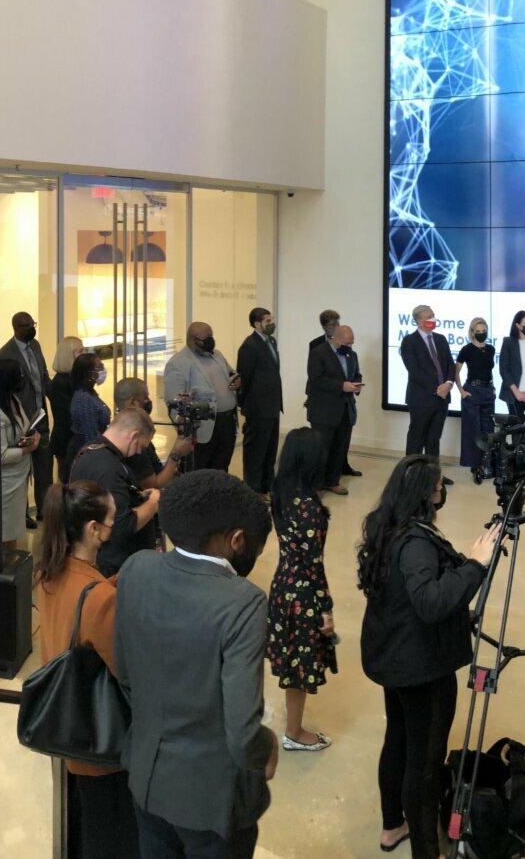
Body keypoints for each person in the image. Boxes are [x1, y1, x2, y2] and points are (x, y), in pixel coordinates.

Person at [114, 469, 278, 859]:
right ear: (237, 540)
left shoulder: (136, 568)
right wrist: (267, 746)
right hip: (211, 802)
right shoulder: (243, 602)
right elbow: (242, 734)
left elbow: (125, 671)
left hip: (145, 777)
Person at [358, 456, 499, 857]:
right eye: (439, 487)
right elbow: (430, 602)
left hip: (393, 656)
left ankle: (392, 825)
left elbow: (407, 597)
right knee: (424, 763)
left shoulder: (386, 524)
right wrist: (475, 565)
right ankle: (426, 850)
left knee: (398, 739)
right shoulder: (417, 543)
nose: (442, 492)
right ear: (424, 494)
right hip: (419, 668)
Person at [32, 479, 138, 859]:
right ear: (93, 529)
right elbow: (128, 672)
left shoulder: (48, 572)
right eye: (111, 521)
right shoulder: (100, 600)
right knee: (109, 838)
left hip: (63, 726)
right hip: (98, 747)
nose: (113, 528)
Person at [267, 429, 339, 752]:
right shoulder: (309, 507)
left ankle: (293, 727)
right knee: (299, 666)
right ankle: (294, 732)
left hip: (282, 585)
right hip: (303, 595)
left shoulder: (280, 492)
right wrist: (326, 608)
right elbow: (313, 564)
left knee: (291, 660)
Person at [70, 408, 165, 577]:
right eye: (141, 446)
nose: (139, 452)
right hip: (114, 566)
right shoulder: (108, 468)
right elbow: (122, 524)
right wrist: (152, 503)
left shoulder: (90, 452)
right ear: (134, 436)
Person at [0, 311, 53, 527]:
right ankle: (22, 514)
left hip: (40, 416)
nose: (32, 328)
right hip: (20, 420)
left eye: (33, 324)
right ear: (16, 328)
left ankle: (45, 510)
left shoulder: (36, 346)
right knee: (22, 469)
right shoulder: (5, 354)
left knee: (44, 466)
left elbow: (43, 376)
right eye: (27, 325)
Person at [164, 321, 241, 472]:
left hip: (227, 422)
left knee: (222, 468)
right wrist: (184, 431)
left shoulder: (217, 355)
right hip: (202, 428)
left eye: (212, 336)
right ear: (193, 340)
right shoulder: (178, 362)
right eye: (207, 338)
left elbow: (231, 373)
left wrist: (237, 380)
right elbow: (173, 401)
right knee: (200, 471)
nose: (211, 341)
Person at [306, 325, 363, 496]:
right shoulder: (318, 353)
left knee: (340, 448)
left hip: (346, 409)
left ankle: (332, 481)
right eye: (347, 343)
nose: (350, 346)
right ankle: (316, 486)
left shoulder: (352, 354)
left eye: (352, 343)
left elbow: (356, 374)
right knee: (321, 449)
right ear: (336, 339)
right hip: (324, 411)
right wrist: (341, 386)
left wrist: (357, 384)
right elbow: (316, 379)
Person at [0, 358, 42, 554]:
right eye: (20, 374)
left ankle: (11, 565)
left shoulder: (14, 400)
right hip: (5, 481)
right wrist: (28, 449)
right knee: (4, 534)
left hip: (19, 475)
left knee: (14, 533)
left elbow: (22, 429)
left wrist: (32, 436)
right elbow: (0, 455)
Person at [113, 377, 192, 492]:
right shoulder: (134, 442)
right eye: (145, 397)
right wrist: (176, 454)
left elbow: (156, 471)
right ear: (133, 402)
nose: (149, 401)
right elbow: (153, 486)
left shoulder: (120, 427)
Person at [238, 306, 284, 495]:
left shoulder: (271, 341)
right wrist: (245, 404)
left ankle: (267, 485)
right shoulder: (249, 346)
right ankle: (253, 490)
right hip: (258, 408)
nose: (271, 324)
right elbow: (244, 378)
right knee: (256, 452)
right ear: (257, 324)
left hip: (272, 406)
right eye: (267, 321)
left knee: (270, 450)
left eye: (271, 320)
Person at [399, 304, 454, 462]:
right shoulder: (409, 341)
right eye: (429, 317)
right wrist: (437, 389)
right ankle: (411, 472)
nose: (433, 319)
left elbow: (450, 364)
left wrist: (448, 384)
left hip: (442, 399)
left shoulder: (441, 339)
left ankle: (433, 473)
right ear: (419, 321)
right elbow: (414, 371)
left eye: (433, 315)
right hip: (421, 399)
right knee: (417, 438)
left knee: (434, 439)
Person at [456, 317, 498, 477]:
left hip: (488, 391)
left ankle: (488, 463)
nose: (481, 333)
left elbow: (488, 370)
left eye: (484, 331)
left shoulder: (491, 349)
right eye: (478, 331)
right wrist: (461, 391)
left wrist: (493, 387)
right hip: (472, 391)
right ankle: (474, 464)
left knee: (488, 429)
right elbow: (455, 371)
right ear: (472, 332)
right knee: (473, 429)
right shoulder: (466, 349)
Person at [48, 336, 86, 484]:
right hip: (67, 442)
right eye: (80, 351)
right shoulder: (60, 383)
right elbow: (67, 417)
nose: (84, 354)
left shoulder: (76, 379)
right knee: (68, 482)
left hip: (77, 439)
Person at [67, 353, 111, 455]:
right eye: (99, 368)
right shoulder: (84, 399)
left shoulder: (90, 393)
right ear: (88, 373)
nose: (103, 371)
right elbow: (91, 437)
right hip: (87, 451)